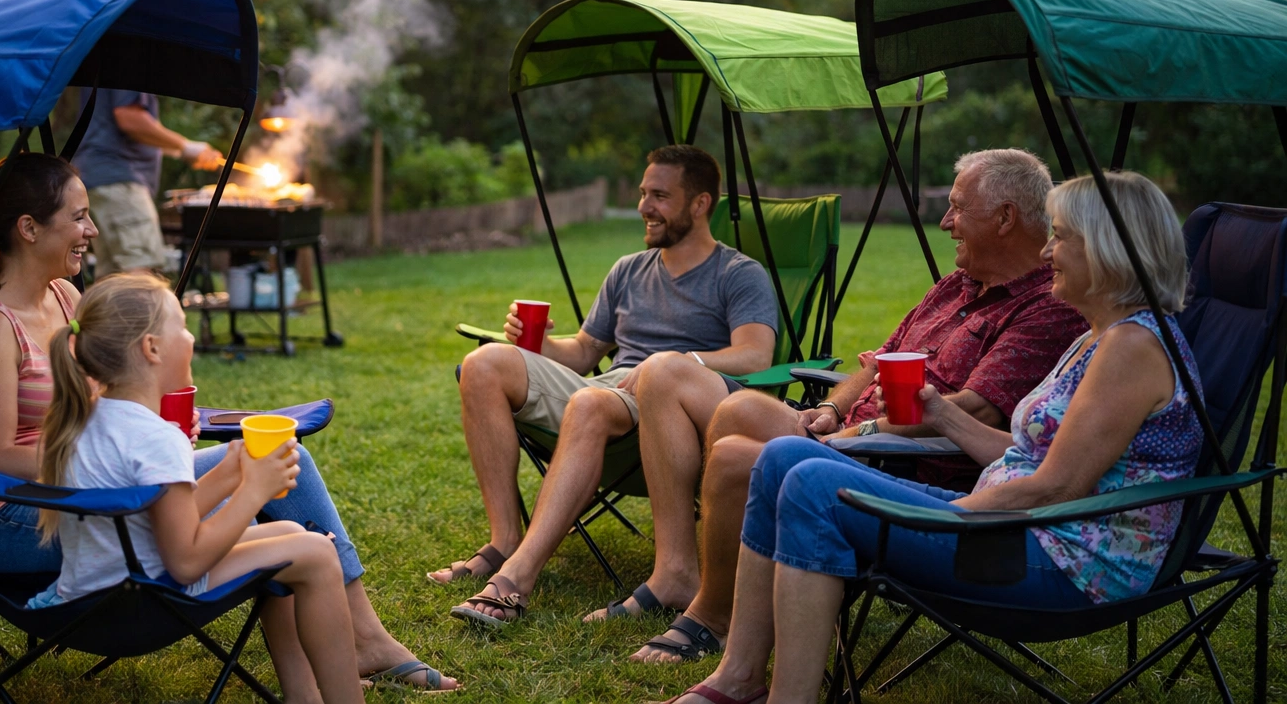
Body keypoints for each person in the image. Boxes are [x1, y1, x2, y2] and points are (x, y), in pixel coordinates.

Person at [661, 170, 1203, 704]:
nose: (1047, 251)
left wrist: (943, 518)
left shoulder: (1132, 347)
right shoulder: (1098, 338)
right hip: (1015, 530)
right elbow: (1028, 458)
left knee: (812, 486)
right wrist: (941, 414)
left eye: (1060, 237)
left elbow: (1057, 487)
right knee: (783, 455)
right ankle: (738, 678)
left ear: (1106, 249)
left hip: (1066, 562)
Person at [0, 153, 456, 693]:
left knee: (284, 460)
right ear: (28, 228)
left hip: (101, 475)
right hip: (7, 512)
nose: (91, 230)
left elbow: (110, 400)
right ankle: (331, 660)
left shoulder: (65, 297)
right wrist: (122, 466)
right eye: (78, 217)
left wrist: (155, 437)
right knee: (255, 514)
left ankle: (363, 638)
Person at [631, 148, 1085, 662]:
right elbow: (877, 363)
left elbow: (975, 411)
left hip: (904, 463)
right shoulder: (955, 286)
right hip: (850, 437)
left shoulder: (1045, 308)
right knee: (737, 413)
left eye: (958, 208)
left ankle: (714, 617)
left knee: (736, 457)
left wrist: (858, 434)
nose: (945, 222)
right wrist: (830, 410)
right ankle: (745, 583)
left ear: (1005, 218)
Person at [436, 145, 779, 628]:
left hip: (674, 402)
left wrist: (677, 362)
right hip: (607, 387)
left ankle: (516, 578)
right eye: (643, 193)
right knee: (484, 363)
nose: (644, 207)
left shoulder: (738, 273)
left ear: (700, 203)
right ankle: (504, 540)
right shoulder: (628, 269)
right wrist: (537, 343)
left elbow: (755, 354)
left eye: (660, 196)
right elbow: (583, 351)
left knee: (590, 402)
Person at [27, 273, 366, 704]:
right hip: (140, 600)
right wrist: (253, 492)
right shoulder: (157, 437)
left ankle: (305, 696)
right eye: (183, 326)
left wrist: (227, 473)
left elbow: (156, 513)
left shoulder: (86, 418)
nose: (190, 337)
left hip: (90, 594)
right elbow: (186, 561)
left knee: (290, 535)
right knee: (316, 553)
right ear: (152, 348)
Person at [71, 83, 226, 277]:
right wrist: (185, 145)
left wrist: (181, 151)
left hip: (99, 179)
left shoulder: (110, 66)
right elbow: (129, 117)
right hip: (120, 183)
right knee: (142, 272)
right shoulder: (132, 65)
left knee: (113, 278)